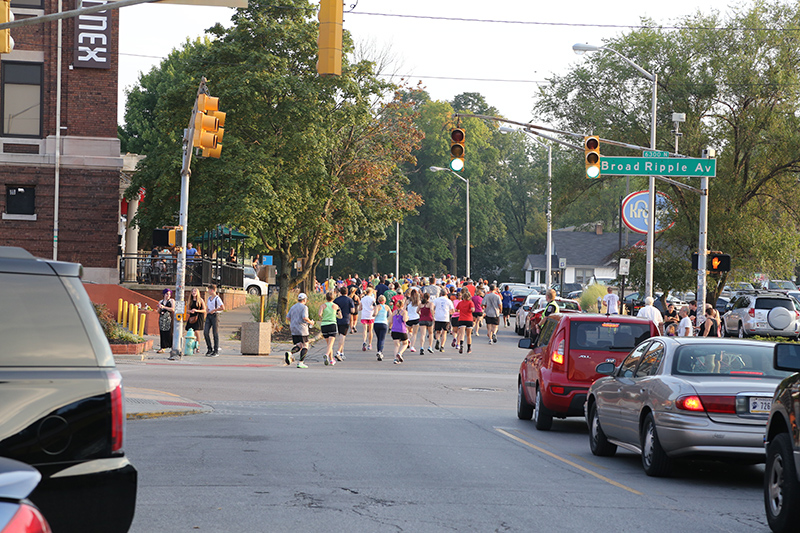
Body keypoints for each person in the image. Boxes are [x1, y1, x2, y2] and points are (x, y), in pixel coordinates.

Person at [285, 293, 315, 368]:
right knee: (305, 345)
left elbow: (288, 317)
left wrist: (294, 321)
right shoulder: (304, 307)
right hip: (302, 328)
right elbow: (305, 317)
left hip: (293, 328)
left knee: (299, 345)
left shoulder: (293, 307)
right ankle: (301, 362)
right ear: (304, 299)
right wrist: (311, 322)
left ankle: (290, 353)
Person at [318, 291, 342, 366]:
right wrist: (336, 315)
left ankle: (331, 360)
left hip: (324, 324)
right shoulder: (336, 306)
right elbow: (340, 316)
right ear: (333, 298)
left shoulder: (323, 306)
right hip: (332, 324)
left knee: (329, 344)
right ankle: (327, 354)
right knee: (331, 344)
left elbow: (319, 314)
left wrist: (322, 317)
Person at [334, 287, 356, 361]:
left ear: (340, 292)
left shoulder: (336, 300)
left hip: (337, 319)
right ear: (347, 292)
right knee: (342, 336)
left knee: (341, 334)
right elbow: (352, 310)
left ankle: (341, 353)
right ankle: (338, 352)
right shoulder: (349, 300)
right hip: (346, 319)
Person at [204, 284, 225, 357]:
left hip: (214, 315)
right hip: (209, 315)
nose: (208, 291)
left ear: (212, 290)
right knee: (205, 332)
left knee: (215, 333)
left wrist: (215, 310)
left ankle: (215, 350)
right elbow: (208, 306)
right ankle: (209, 348)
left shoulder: (217, 298)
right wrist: (207, 309)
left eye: (209, 289)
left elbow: (222, 307)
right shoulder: (209, 298)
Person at [432, 287, 455, 352]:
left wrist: (433, 313)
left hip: (437, 317)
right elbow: (452, 310)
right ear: (446, 294)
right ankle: (442, 346)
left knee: (438, 331)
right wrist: (449, 313)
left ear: (440, 293)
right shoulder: (448, 301)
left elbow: (432, 307)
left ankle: (437, 340)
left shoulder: (436, 300)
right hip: (445, 317)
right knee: (444, 332)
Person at [455, 289, 476, 354]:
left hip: (461, 319)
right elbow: (473, 309)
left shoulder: (460, 303)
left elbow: (456, 310)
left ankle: (461, 345)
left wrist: (461, 311)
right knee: (468, 335)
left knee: (462, 334)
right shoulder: (470, 302)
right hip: (469, 319)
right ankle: (469, 348)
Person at [372, 295, 391, 361]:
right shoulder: (387, 307)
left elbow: (375, 313)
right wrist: (387, 320)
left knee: (378, 338)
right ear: (385, 301)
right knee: (382, 339)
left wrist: (373, 315)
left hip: (377, 323)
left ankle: (379, 351)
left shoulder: (377, 306)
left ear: (378, 301)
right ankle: (380, 351)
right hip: (384, 323)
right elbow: (391, 315)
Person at [391, 298, 410, 364]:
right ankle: (400, 353)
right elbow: (404, 320)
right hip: (402, 329)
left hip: (394, 329)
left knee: (396, 345)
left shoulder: (394, 312)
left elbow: (391, 321)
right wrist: (407, 318)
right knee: (405, 343)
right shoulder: (404, 312)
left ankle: (395, 359)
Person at [157, 288, 175, 354]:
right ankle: (163, 347)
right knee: (162, 332)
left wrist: (164, 307)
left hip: (169, 318)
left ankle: (171, 346)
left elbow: (172, 309)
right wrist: (159, 307)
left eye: (169, 294)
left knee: (169, 332)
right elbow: (158, 311)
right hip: (162, 319)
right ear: (164, 294)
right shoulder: (161, 301)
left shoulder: (171, 301)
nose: (168, 296)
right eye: (167, 294)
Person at [359, 286, 376, 351]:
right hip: (371, 315)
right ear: (371, 292)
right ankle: (370, 344)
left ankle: (364, 341)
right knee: (370, 330)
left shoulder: (363, 299)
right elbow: (374, 306)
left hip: (364, 315)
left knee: (364, 330)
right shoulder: (372, 299)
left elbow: (360, 308)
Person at [406, 288, 421, 353]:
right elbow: (419, 311)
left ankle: (408, 339)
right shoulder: (419, 302)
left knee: (408, 331)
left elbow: (404, 309)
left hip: (409, 318)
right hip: (416, 318)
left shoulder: (408, 301)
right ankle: (412, 346)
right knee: (414, 333)